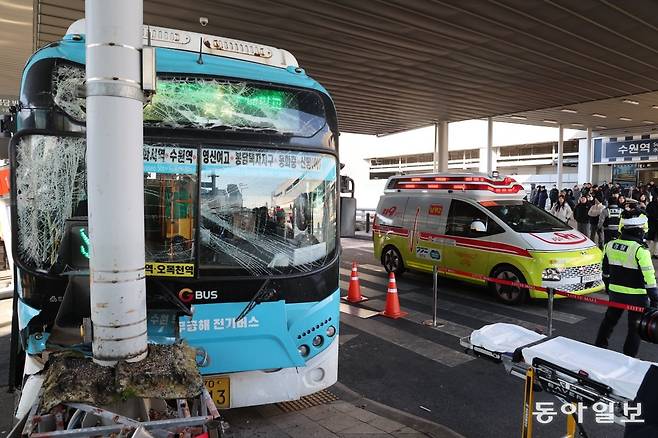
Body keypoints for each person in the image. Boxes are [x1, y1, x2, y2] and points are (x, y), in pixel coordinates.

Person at [595, 210, 658, 357]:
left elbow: (604, 271)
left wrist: (609, 287)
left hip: (615, 293)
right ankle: (628, 359)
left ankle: (598, 348)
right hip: (637, 297)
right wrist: (654, 298)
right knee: (634, 329)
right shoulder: (640, 250)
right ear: (639, 230)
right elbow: (649, 277)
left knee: (609, 322)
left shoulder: (609, 245)